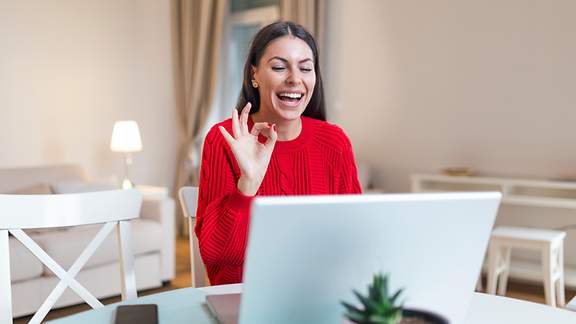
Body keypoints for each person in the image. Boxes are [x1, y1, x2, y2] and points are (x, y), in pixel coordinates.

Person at [195, 21, 362, 285]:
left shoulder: (335, 142)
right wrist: (247, 184)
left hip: (318, 293)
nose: (295, 79)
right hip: (245, 298)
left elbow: (354, 236)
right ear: (255, 75)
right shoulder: (224, 138)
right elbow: (217, 255)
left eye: (305, 68)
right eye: (279, 67)